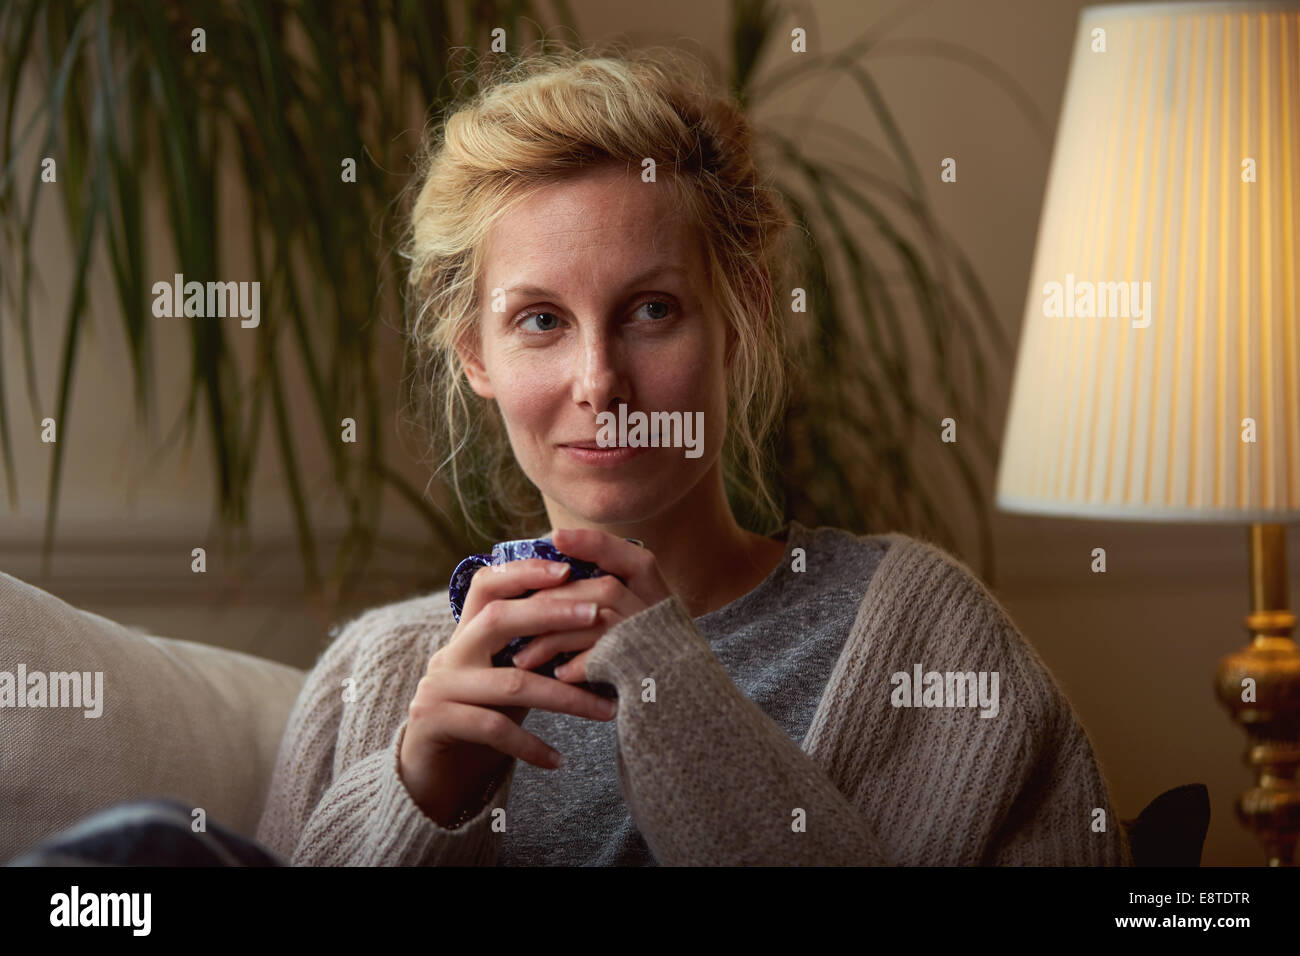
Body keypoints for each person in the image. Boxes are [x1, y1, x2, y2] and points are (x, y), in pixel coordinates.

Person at [251, 44, 1131, 867]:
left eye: (652, 311)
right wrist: (413, 800)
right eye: (541, 321)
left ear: (738, 318)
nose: (599, 383)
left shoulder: (925, 638)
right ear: (475, 354)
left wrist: (673, 686)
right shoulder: (376, 676)